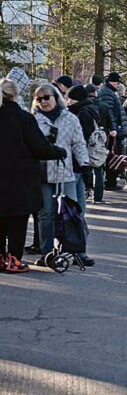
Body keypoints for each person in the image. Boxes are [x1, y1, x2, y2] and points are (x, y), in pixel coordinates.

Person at [0, 79, 66, 274]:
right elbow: (39, 147)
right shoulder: (24, 118)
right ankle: (13, 259)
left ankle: (1, 258)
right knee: (18, 221)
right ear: (14, 96)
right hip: (20, 179)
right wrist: (58, 151)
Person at [33, 83, 90, 264]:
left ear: (56, 97)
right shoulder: (33, 120)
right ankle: (47, 253)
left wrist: (85, 164)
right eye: (39, 99)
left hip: (65, 172)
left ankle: (78, 251)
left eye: (46, 97)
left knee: (72, 213)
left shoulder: (70, 118)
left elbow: (78, 144)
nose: (43, 102)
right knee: (46, 214)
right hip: (42, 174)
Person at [65, 84, 100, 266]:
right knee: (79, 208)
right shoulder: (92, 110)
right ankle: (79, 250)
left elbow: (78, 142)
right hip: (84, 166)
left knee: (72, 209)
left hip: (74, 166)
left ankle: (74, 249)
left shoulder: (79, 114)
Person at [99, 72, 126, 191]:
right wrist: (113, 128)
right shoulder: (107, 92)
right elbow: (108, 112)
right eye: (117, 82)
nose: (118, 85)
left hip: (114, 130)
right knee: (112, 155)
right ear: (112, 81)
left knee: (113, 155)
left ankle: (111, 180)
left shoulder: (109, 92)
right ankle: (110, 181)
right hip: (112, 132)